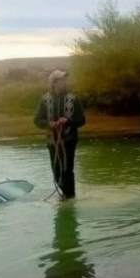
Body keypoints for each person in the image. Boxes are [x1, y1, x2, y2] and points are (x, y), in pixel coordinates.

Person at [34, 70, 86, 199]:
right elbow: (37, 120)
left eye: (65, 80)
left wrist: (68, 120)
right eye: (62, 80)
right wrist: (48, 124)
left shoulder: (73, 98)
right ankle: (66, 195)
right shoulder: (45, 99)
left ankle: (70, 197)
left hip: (69, 140)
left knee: (68, 170)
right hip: (52, 141)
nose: (65, 82)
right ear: (54, 83)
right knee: (56, 171)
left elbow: (81, 120)